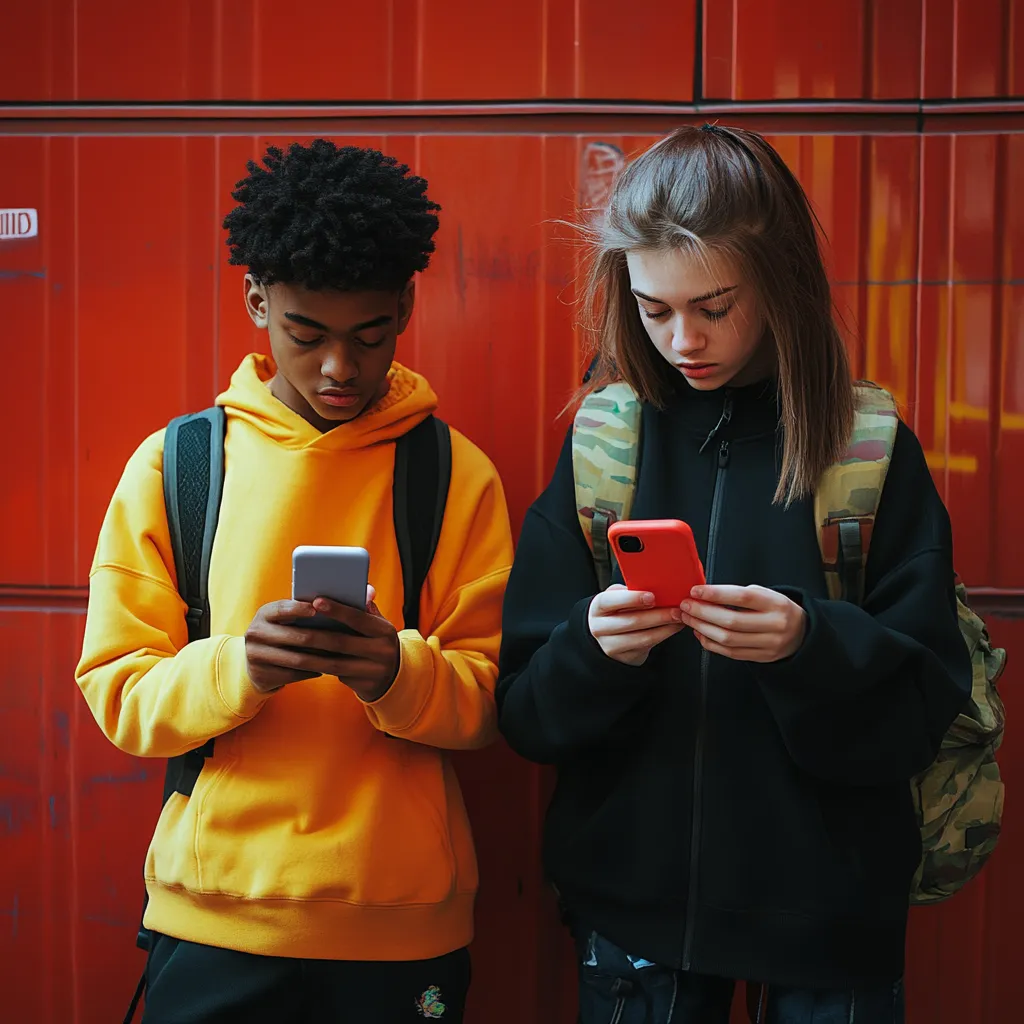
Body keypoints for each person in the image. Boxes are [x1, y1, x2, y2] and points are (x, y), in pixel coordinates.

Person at [495, 125, 971, 1024]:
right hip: (636, 919)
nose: (683, 339)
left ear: (783, 283)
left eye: (714, 305)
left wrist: (807, 642)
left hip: (830, 918)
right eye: (653, 308)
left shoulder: (867, 449)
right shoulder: (605, 443)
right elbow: (523, 712)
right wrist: (596, 650)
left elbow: (925, 706)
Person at [76, 140, 513, 1024]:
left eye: (371, 336)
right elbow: (118, 692)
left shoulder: (454, 476)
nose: (338, 370)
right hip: (215, 922)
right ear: (256, 303)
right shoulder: (180, 467)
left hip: (401, 931)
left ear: (406, 307)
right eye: (305, 334)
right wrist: (242, 666)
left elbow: (495, 700)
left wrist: (394, 670)